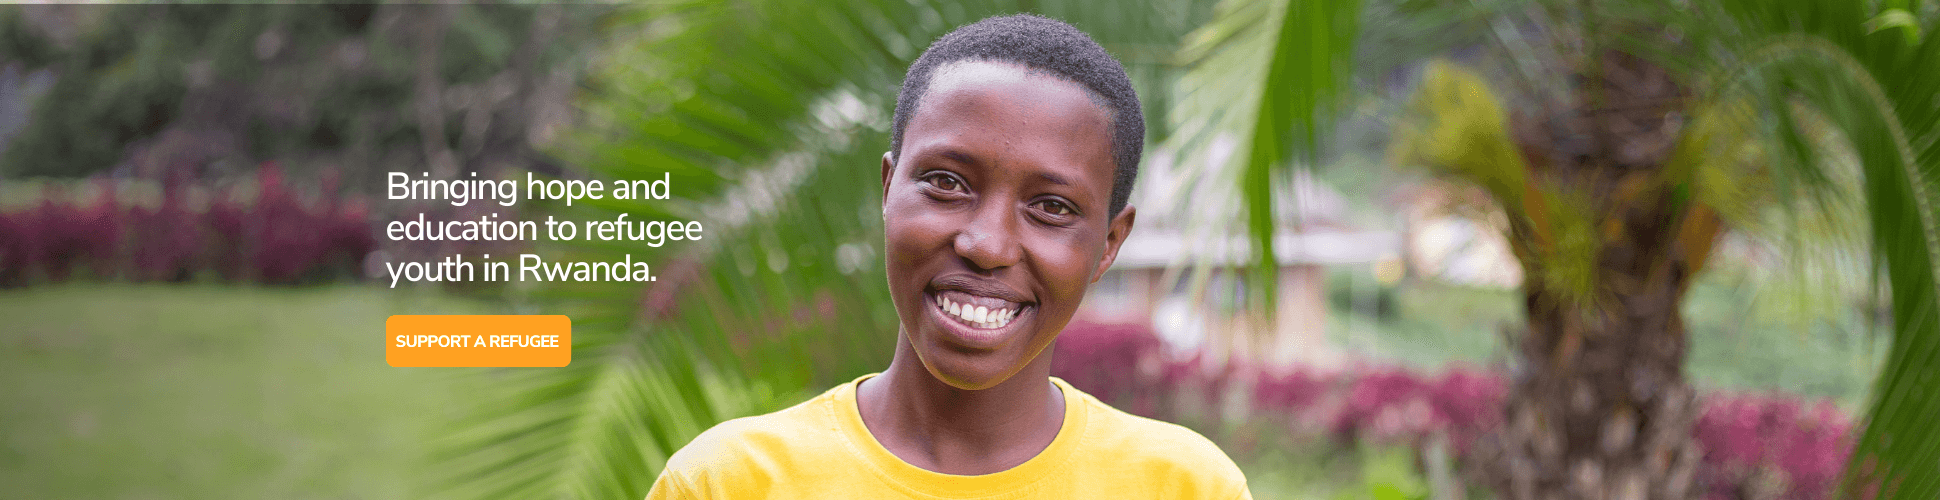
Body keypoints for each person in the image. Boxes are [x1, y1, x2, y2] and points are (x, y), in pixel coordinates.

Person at [647, 13, 1251, 499]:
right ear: (888, 190)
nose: (986, 246)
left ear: (1109, 245)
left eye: (1052, 208)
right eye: (946, 182)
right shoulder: (727, 483)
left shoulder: (1184, 486)